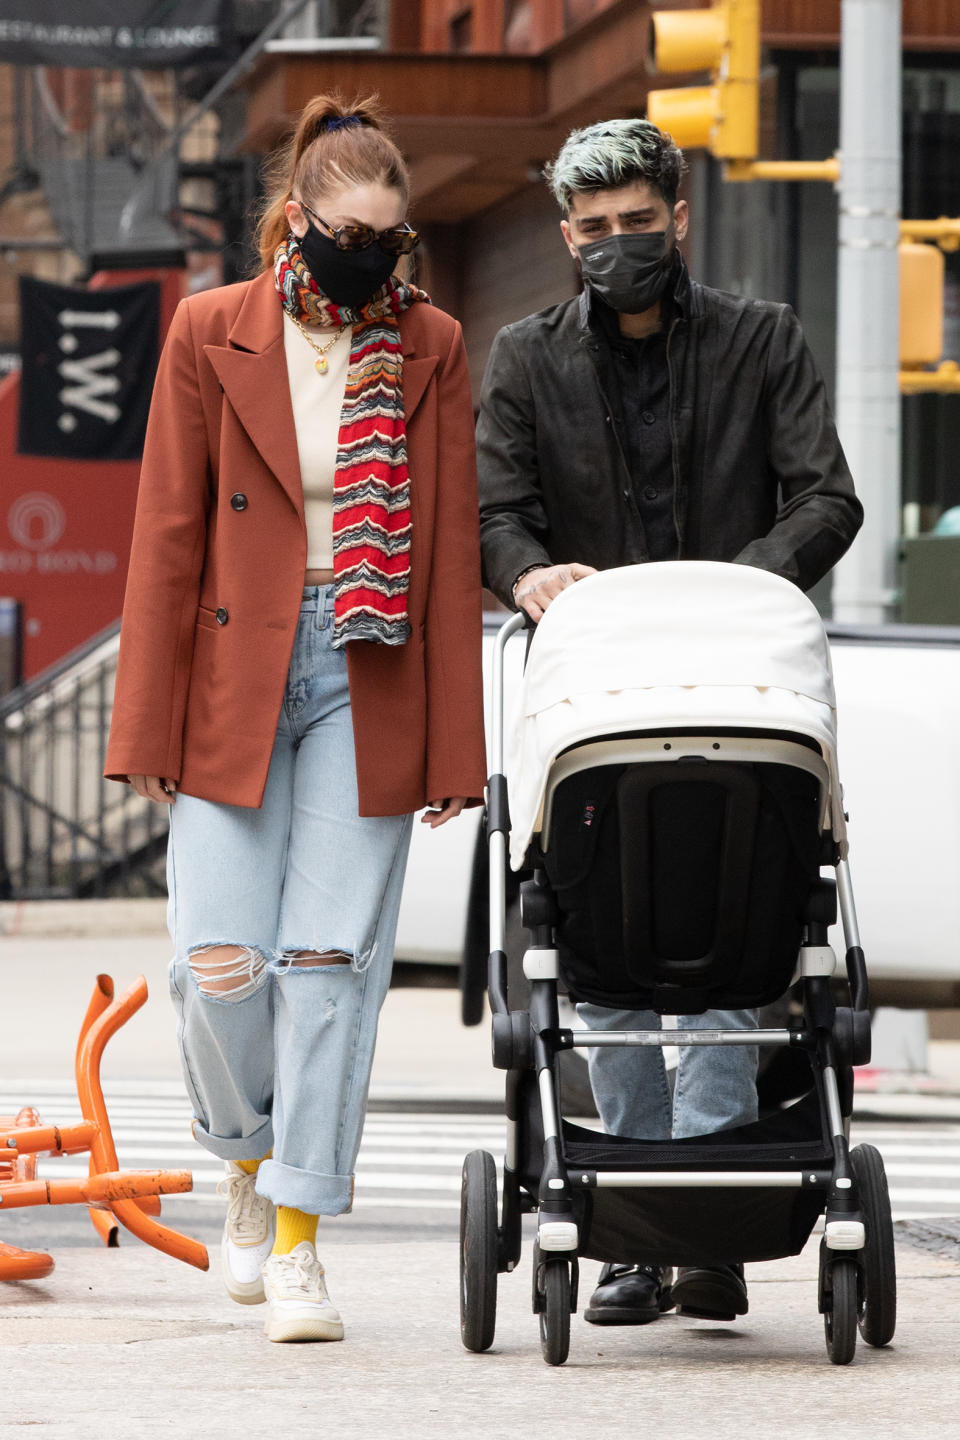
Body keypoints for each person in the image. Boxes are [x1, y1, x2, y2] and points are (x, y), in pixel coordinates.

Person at [105, 93, 485, 1344]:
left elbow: (444, 548)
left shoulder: (428, 342)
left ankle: (304, 1236)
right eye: (352, 235)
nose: (373, 261)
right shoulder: (212, 329)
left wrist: (453, 744)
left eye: (393, 240)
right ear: (299, 218)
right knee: (221, 967)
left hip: (366, 670)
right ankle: (246, 1161)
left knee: (328, 972)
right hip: (231, 672)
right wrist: (145, 723)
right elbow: (167, 532)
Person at [476, 117, 862, 1328]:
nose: (617, 247)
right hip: (599, 704)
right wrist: (528, 574)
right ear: (565, 239)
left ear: (679, 220)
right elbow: (499, 514)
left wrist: (742, 586)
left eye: (638, 225)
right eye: (593, 232)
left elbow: (828, 496)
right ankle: (636, 1232)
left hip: (740, 696)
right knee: (610, 959)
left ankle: (714, 1232)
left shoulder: (763, 341)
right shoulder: (526, 359)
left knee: (739, 949)